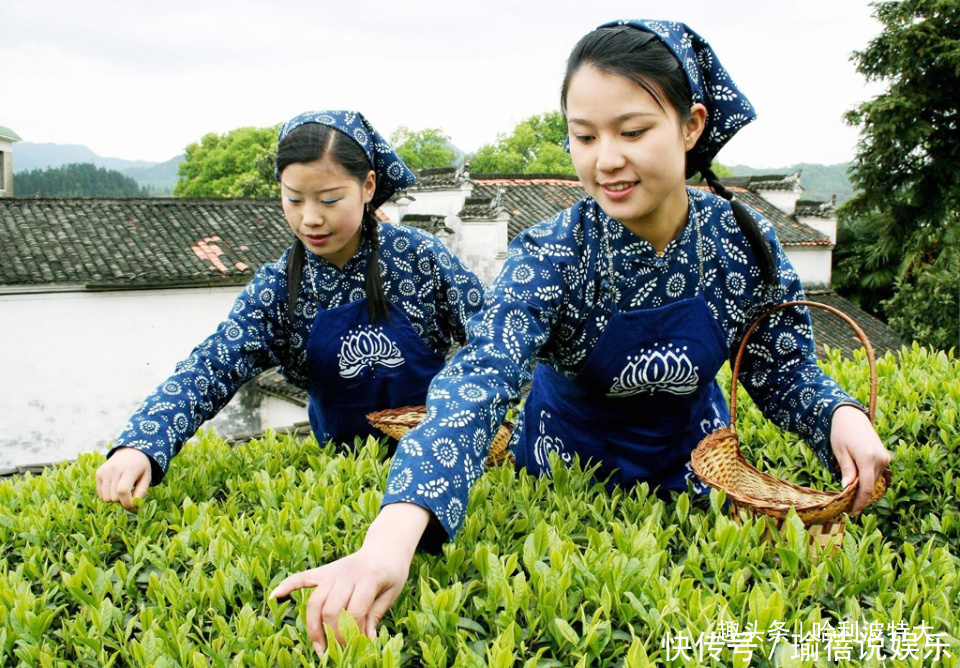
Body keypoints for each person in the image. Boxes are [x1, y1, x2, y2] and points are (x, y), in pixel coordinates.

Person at [270, 21, 892, 654]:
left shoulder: (743, 244)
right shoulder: (555, 255)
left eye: (632, 131)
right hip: (563, 486)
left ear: (691, 125)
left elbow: (783, 370)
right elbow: (481, 378)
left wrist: (838, 416)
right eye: (583, 136)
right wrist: (392, 537)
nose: (606, 160)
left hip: (697, 482)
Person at [95, 110, 485, 511]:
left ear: (368, 186)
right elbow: (212, 365)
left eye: (330, 199)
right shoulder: (279, 290)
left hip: (443, 464)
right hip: (346, 483)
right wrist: (142, 443)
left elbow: (495, 338)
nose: (310, 218)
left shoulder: (419, 258)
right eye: (294, 199)